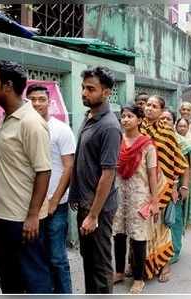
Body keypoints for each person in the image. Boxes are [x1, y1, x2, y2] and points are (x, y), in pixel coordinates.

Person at [0, 61, 52, 293]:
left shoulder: (31, 123)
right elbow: (6, 151)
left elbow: (43, 170)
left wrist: (33, 215)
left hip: (24, 220)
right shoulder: (7, 117)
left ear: (8, 86)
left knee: (35, 280)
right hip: (3, 216)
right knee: (9, 278)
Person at [68, 66, 121, 293]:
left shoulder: (109, 126)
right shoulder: (89, 117)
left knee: (99, 266)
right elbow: (83, 160)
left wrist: (93, 215)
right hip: (86, 203)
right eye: (83, 88)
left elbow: (108, 174)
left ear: (107, 92)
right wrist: (75, 194)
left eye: (91, 89)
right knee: (88, 261)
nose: (84, 93)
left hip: (98, 208)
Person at [27, 84, 75, 293]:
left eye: (41, 99)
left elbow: (68, 167)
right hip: (32, 207)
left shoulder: (61, 129)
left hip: (56, 206)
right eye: (32, 99)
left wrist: (55, 200)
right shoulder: (25, 128)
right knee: (37, 258)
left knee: (57, 258)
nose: (37, 103)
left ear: (50, 102)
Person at [140, 96, 188, 282]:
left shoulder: (167, 133)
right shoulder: (137, 129)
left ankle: (164, 264)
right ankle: (140, 265)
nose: (149, 108)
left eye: (154, 106)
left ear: (161, 110)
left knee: (161, 227)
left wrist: (176, 186)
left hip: (162, 188)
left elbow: (178, 162)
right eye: (148, 105)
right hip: (140, 186)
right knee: (141, 226)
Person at [113, 104, 159, 294]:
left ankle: (138, 278)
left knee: (139, 237)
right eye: (123, 116)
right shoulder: (117, 141)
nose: (125, 120)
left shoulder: (147, 145)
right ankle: (119, 272)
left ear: (139, 120)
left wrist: (155, 201)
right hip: (119, 194)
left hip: (140, 197)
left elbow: (152, 174)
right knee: (119, 234)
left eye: (130, 116)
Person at [160, 111, 191, 264]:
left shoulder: (182, 142)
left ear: (173, 123)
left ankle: (174, 250)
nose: (164, 121)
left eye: (168, 119)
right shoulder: (156, 138)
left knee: (174, 218)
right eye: (162, 118)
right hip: (158, 186)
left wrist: (184, 186)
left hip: (175, 186)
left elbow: (186, 168)